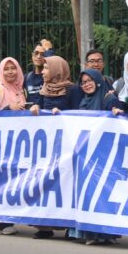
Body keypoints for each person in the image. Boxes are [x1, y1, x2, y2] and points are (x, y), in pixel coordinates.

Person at [29, 55, 81, 240]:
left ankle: (69, 227)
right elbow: (39, 107)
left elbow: (79, 114)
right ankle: (44, 226)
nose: (42, 71)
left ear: (57, 70)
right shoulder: (43, 90)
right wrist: (36, 107)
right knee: (46, 181)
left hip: (66, 146)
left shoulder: (72, 89)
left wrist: (63, 115)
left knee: (66, 183)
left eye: (45, 68)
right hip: (48, 147)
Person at [73, 68, 120, 245]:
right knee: (87, 193)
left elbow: (117, 108)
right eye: (83, 82)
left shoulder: (107, 97)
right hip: (85, 153)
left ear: (98, 81)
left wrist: (116, 108)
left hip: (104, 154)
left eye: (90, 80)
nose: (86, 84)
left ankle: (105, 234)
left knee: (103, 193)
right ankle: (90, 233)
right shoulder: (83, 101)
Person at [0, 57, 28, 235]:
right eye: (7, 69)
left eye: (13, 68)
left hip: (19, 144)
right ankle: (3, 223)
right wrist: (9, 108)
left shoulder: (22, 90)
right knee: (3, 181)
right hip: (1, 144)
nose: (10, 72)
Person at [23, 42, 47, 107]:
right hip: (30, 115)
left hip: (47, 115)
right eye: (36, 53)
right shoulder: (26, 77)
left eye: (43, 54)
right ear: (32, 56)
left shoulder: (50, 77)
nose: (39, 56)